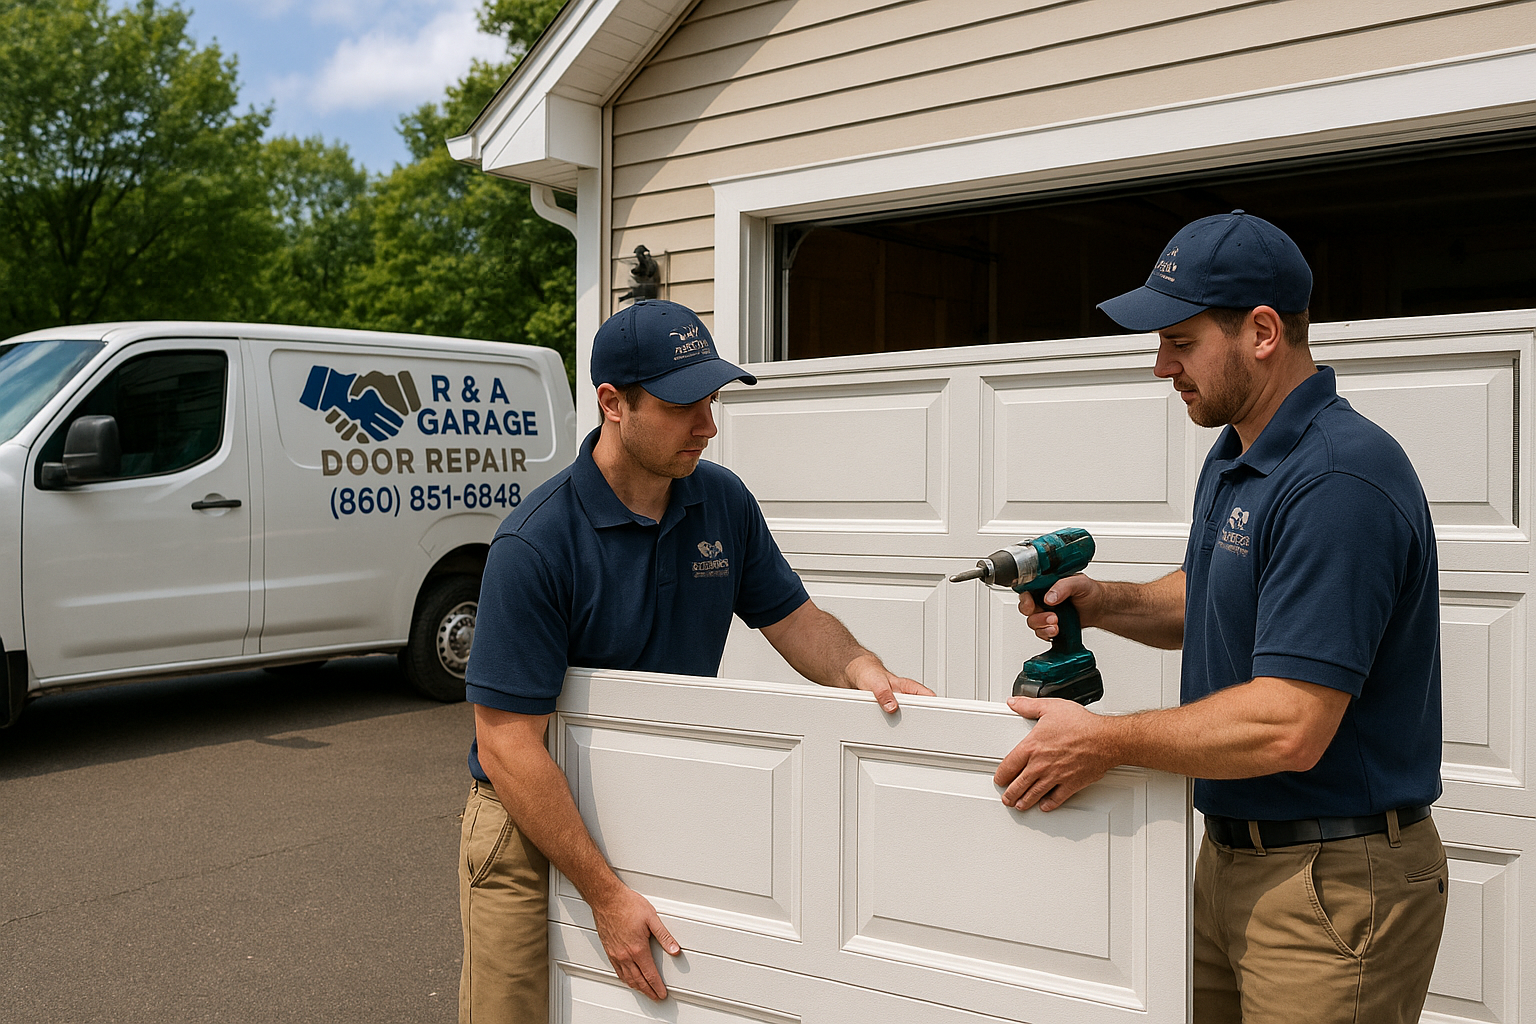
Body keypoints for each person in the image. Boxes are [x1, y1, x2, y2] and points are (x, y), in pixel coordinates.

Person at [995, 212, 1447, 1023]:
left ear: (1263, 331)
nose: (1161, 365)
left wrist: (1104, 741)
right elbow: (1209, 592)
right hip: (1230, 857)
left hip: (1332, 881)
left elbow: (1290, 724)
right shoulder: (1240, 451)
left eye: (1181, 340)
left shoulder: (1338, 480)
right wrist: (1103, 601)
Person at [458, 299, 932, 1024]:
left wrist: (860, 668)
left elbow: (794, 618)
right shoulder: (535, 544)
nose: (708, 424)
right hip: (530, 817)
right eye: (684, 405)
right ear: (613, 404)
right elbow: (508, 744)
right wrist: (607, 896)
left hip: (666, 799)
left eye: (711, 399)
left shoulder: (721, 501)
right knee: (515, 1013)